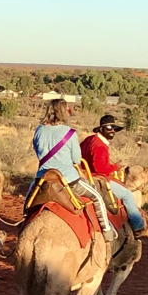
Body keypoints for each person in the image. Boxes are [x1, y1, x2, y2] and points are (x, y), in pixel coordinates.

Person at [30, 99, 117, 241]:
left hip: (43, 178)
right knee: (97, 198)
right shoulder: (69, 133)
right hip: (69, 181)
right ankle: (107, 231)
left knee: (28, 204)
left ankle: (23, 223)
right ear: (63, 112)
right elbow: (76, 159)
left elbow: (38, 151)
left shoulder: (39, 130)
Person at [81, 114, 147, 235]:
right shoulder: (100, 145)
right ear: (101, 129)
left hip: (84, 176)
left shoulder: (89, 140)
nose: (112, 131)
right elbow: (100, 169)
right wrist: (116, 166)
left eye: (114, 128)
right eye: (109, 127)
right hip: (97, 179)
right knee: (127, 195)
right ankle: (138, 226)